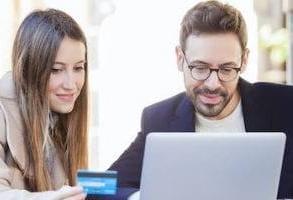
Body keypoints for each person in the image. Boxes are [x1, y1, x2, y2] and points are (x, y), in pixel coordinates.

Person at [109, 0, 293, 198]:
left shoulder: (285, 105)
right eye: (200, 68)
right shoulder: (159, 119)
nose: (213, 84)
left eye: (226, 69)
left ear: (245, 60)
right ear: (180, 58)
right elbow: (105, 187)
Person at [0, 9, 89, 199]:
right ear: (29, 68)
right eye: (56, 70)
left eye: (78, 68)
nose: (71, 85)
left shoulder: (59, 116)